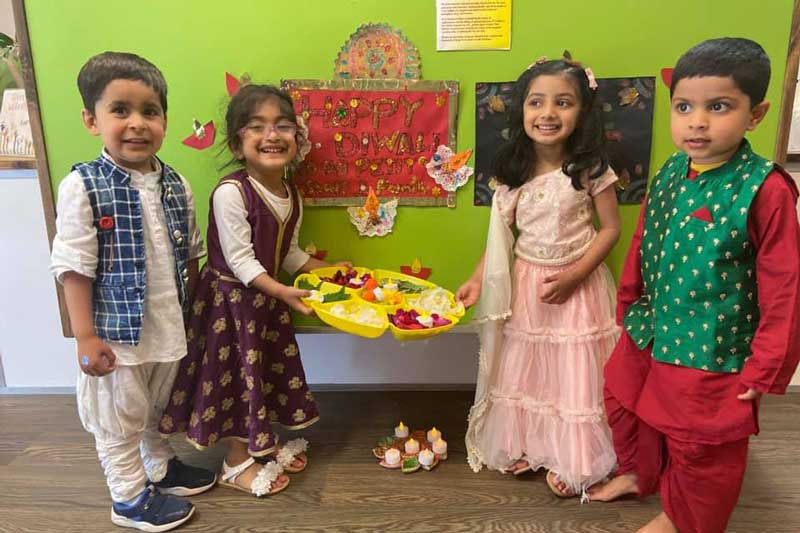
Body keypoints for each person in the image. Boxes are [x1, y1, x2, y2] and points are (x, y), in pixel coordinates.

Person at [588, 38, 800, 533]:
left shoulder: (764, 189)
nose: (697, 122)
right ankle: (639, 474)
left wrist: (766, 366)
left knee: (700, 445)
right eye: (684, 106)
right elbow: (645, 237)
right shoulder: (669, 171)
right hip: (653, 326)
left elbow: (785, 286)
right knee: (621, 396)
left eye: (718, 106)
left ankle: (684, 520)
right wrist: (629, 305)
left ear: (756, 113)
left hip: (713, 348)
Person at [50, 51, 216, 532]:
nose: (137, 123)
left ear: (165, 119)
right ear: (90, 119)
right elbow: (73, 267)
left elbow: (190, 254)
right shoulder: (83, 185)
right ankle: (127, 496)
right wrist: (84, 336)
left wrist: (191, 313)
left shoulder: (176, 184)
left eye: (150, 111)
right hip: (114, 330)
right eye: (120, 110)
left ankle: (158, 467)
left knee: (155, 403)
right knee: (118, 412)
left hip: (168, 320)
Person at [160, 84, 345, 498]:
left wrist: (328, 270)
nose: (272, 135)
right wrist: (282, 292)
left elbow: (290, 253)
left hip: (265, 302)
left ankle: (259, 442)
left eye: (283, 125)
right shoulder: (231, 192)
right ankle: (234, 460)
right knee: (235, 381)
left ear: (296, 138)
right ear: (236, 142)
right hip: (229, 305)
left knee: (260, 377)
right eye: (256, 127)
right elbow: (241, 261)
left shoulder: (291, 195)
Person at [459, 55, 621, 499]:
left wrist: (575, 274)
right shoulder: (512, 173)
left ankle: (577, 458)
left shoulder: (590, 169)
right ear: (522, 111)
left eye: (563, 103)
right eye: (536, 102)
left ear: (582, 112)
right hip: (527, 283)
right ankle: (532, 442)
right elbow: (500, 239)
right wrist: (477, 280)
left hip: (579, 285)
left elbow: (610, 230)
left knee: (572, 373)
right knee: (528, 371)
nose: (548, 113)